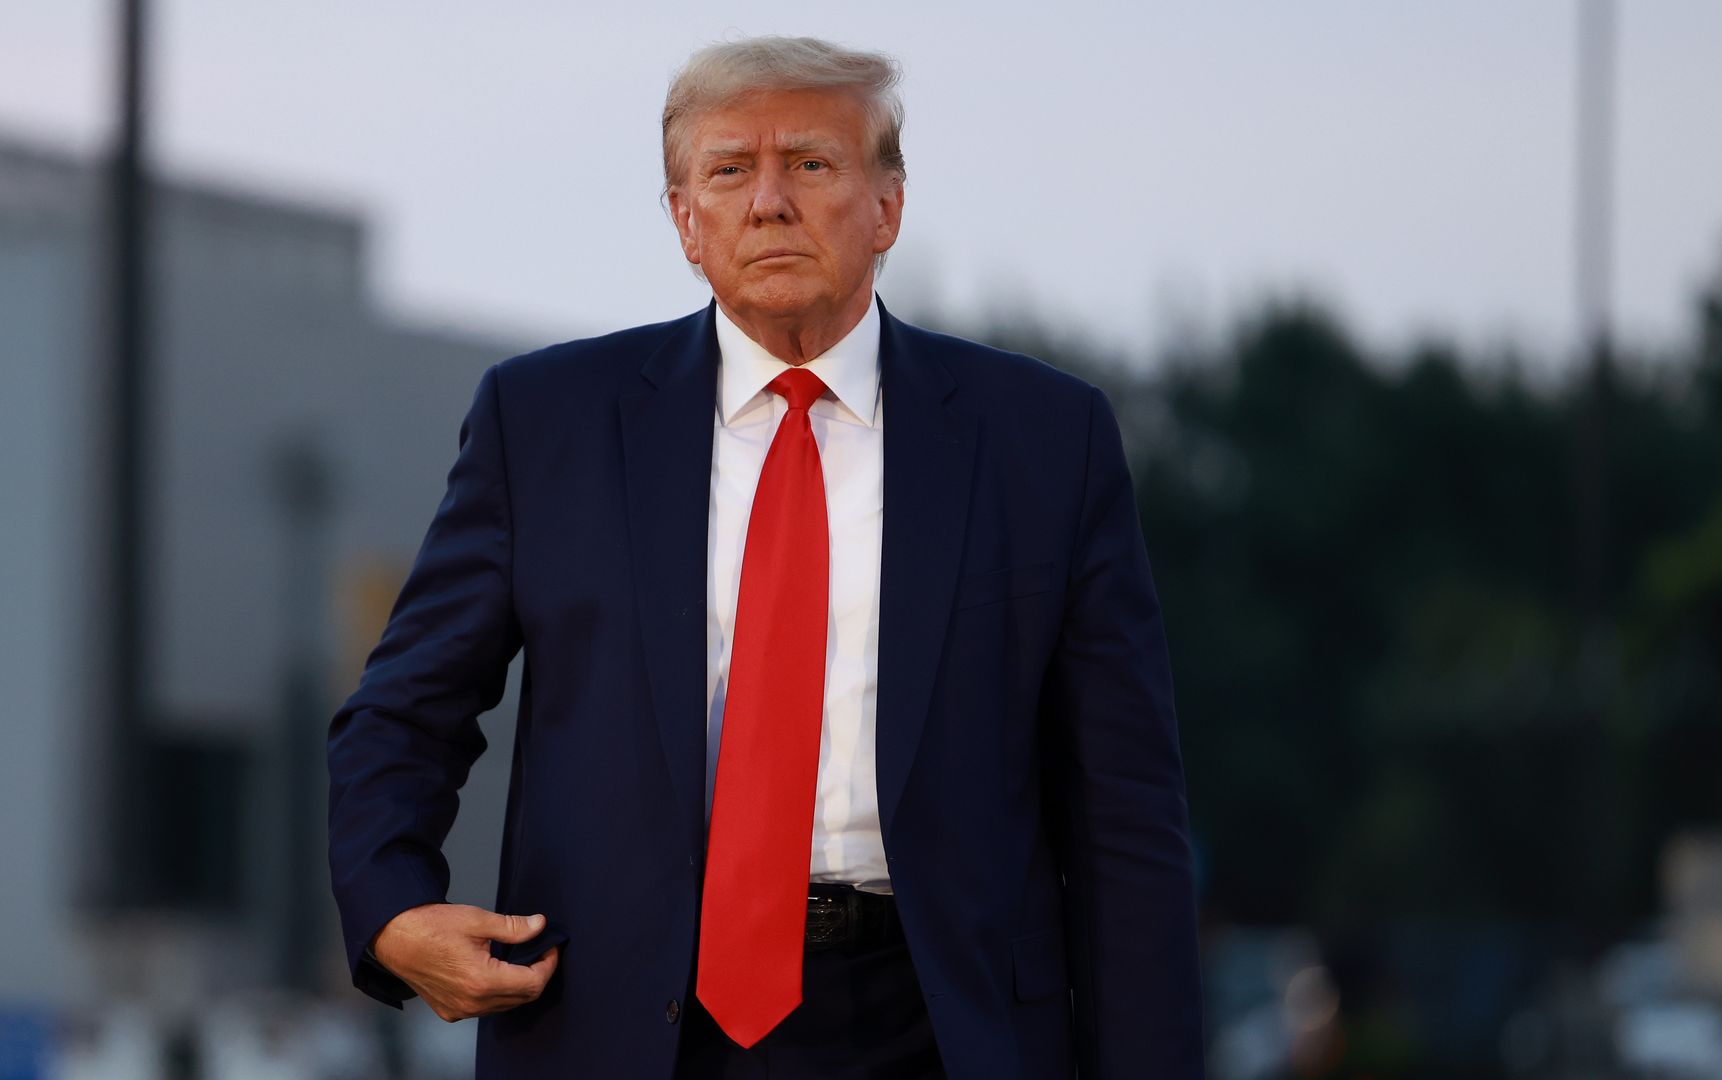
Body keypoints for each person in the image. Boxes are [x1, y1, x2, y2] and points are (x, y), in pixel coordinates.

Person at [326, 35, 1202, 1079]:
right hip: (623, 1023)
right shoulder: (545, 424)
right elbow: (405, 708)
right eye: (731, 170)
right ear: (685, 221)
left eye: (813, 166)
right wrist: (389, 907)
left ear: (888, 205)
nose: (770, 202)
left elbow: (1127, 812)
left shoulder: (1043, 441)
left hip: (946, 1025)